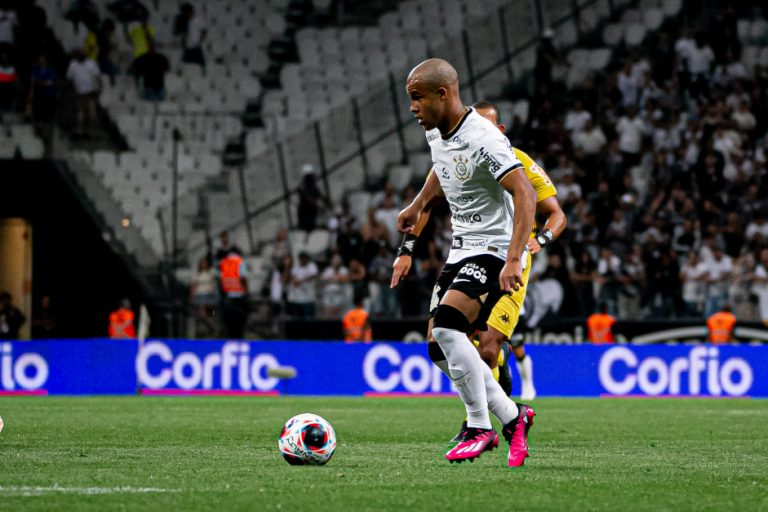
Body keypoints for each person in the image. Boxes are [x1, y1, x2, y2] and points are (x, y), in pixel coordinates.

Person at [392, 58, 537, 466]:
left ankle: (479, 426)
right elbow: (442, 169)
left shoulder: (483, 136)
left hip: (493, 248)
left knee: (452, 327)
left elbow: (525, 193)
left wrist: (513, 258)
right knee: (438, 348)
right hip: (461, 247)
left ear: (443, 94)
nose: (412, 108)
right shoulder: (438, 132)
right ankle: (512, 415)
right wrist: (418, 204)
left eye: (417, 98)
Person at [392, 100, 567, 407]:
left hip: (510, 260)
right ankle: (492, 412)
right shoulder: (459, 151)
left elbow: (556, 213)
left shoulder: (520, 162)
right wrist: (406, 248)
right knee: (448, 342)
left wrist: (542, 238)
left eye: (484, 125)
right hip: (468, 254)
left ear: (498, 130)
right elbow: (428, 202)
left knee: (486, 347)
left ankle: (490, 416)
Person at [66, 48, 101, 139]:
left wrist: (99, 87)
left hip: (84, 91)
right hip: (85, 91)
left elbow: (69, 79)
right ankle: (84, 130)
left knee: (85, 111)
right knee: (86, 111)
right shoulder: (75, 64)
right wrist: (100, 87)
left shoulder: (74, 64)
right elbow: (98, 77)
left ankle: (84, 130)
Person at [219, 248, 249, 338]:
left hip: (227, 294)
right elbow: (243, 277)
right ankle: (239, 337)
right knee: (239, 321)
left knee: (229, 321)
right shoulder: (239, 261)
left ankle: (230, 337)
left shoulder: (224, 262)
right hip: (239, 295)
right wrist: (247, 290)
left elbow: (221, 279)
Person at [190, 256, 217, 337]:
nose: (203, 264)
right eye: (202, 263)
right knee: (202, 313)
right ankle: (212, 326)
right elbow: (193, 286)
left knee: (212, 313)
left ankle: (210, 330)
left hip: (210, 296)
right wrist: (192, 296)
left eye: (204, 263)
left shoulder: (210, 273)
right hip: (200, 295)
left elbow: (214, 284)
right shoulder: (197, 275)